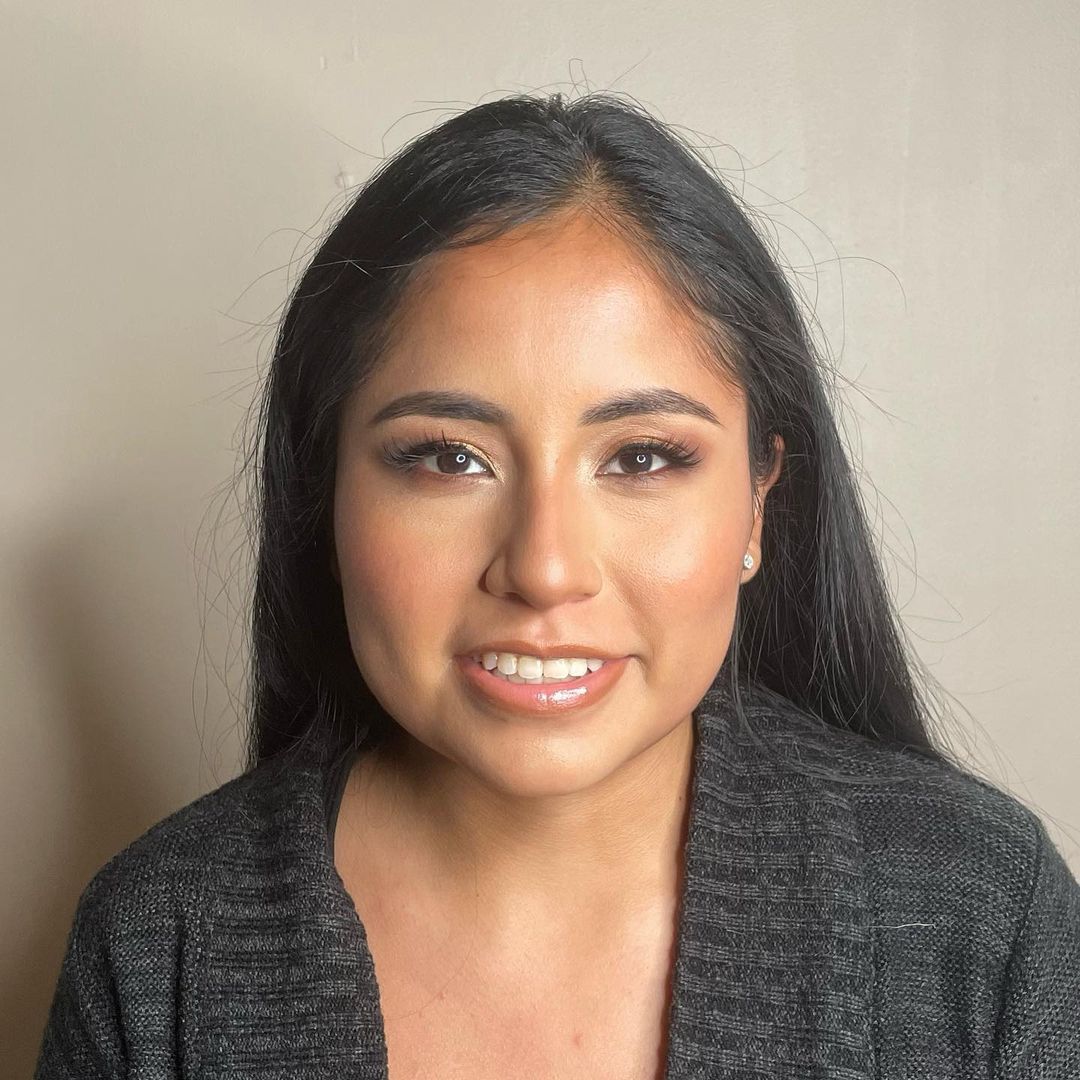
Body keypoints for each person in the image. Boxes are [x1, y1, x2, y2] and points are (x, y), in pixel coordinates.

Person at [35, 92, 1079, 1079]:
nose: (543, 570)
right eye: (447, 458)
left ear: (759, 502)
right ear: (328, 491)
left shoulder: (979, 912)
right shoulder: (158, 947)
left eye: (642, 458)